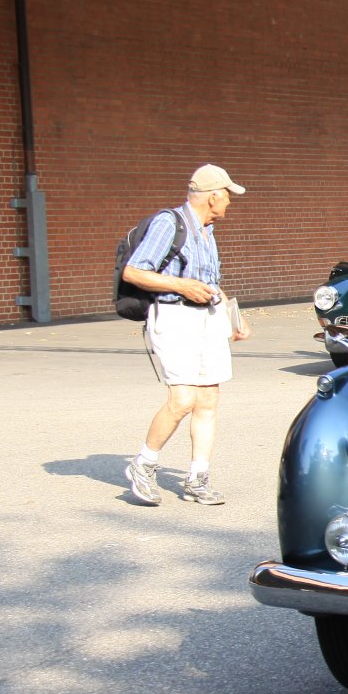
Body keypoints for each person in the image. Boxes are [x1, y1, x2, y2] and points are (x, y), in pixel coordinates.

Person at [122, 164, 251, 507]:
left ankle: (198, 478)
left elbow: (211, 283)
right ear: (213, 197)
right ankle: (143, 464)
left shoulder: (207, 231)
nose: (230, 201)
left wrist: (234, 316)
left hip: (207, 317)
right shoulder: (169, 223)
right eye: (228, 195)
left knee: (208, 400)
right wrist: (182, 286)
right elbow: (134, 272)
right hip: (174, 316)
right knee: (182, 400)